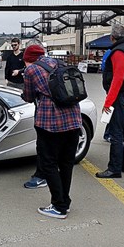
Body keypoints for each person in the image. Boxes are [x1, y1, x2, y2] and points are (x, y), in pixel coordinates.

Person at [21, 44, 82, 219]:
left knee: (48, 163)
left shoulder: (32, 70)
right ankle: (65, 201)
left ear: (28, 58)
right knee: (66, 163)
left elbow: (28, 96)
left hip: (50, 122)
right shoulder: (60, 63)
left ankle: (58, 206)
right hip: (73, 119)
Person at [96, 24, 124, 178]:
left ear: (111, 37)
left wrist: (108, 102)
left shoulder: (119, 51)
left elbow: (118, 78)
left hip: (121, 96)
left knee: (116, 132)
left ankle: (114, 168)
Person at [101, 48, 112, 142]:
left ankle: (108, 133)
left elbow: (103, 69)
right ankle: (108, 133)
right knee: (112, 109)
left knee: (111, 108)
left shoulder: (108, 52)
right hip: (112, 85)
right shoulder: (113, 53)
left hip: (109, 85)